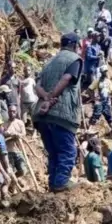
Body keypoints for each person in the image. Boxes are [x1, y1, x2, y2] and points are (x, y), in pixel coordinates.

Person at [33, 32, 83, 193]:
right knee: (68, 151)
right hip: (61, 114)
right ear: (75, 45)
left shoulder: (49, 62)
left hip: (41, 116)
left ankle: (53, 184)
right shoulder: (75, 60)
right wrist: (52, 96)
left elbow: (37, 85)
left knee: (53, 152)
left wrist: (45, 97)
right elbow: (66, 79)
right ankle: (60, 183)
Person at [4, 105, 27, 177]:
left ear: (16, 112)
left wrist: (17, 135)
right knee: (11, 171)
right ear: (8, 112)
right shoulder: (5, 123)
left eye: (13, 111)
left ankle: (15, 181)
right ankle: (13, 184)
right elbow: (2, 134)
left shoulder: (20, 123)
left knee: (23, 170)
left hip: (18, 150)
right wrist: (9, 134)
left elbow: (24, 134)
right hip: (8, 151)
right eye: (10, 111)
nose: (12, 113)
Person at [90, 65, 112, 131]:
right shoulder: (97, 81)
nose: (105, 73)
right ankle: (91, 131)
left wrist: (110, 95)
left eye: (106, 71)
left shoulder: (109, 82)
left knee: (109, 117)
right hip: (100, 100)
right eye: (104, 72)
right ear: (101, 72)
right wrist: (93, 98)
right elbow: (89, 89)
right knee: (96, 116)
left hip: (106, 101)